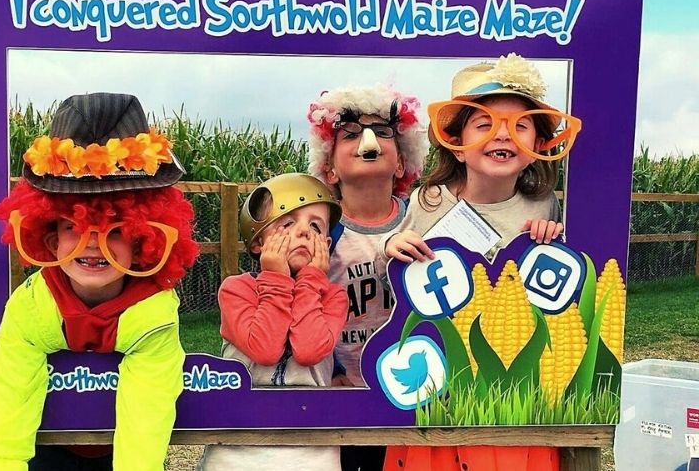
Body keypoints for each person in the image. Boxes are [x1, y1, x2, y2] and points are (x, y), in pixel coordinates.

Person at [0, 93, 200, 471]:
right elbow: (8, 391)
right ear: (49, 237)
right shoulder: (32, 308)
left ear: (142, 237)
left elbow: (148, 410)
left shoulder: (154, 314)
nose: (92, 241)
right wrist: (0, 463)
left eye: (114, 229)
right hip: (50, 446)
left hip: (117, 449)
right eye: (72, 226)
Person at [379, 53, 581, 471]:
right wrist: (394, 248)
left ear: (538, 145)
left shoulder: (546, 205)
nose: (503, 136)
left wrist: (553, 239)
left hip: (515, 383)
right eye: (485, 124)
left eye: (520, 126)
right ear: (457, 140)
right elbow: (402, 285)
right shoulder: (428, 201)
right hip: (442, 387)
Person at [307, 85, 430, 471]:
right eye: (349, 135)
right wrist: (334, 371)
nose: (368, 141)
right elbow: (304, 305)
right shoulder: (321, 231)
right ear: (328, 167)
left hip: (416, 391)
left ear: (401, 163)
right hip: (344, 392)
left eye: (383, 133)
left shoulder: (426, 220)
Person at [197, 173, 349, 471]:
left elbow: (307, 350)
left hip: (312, 450)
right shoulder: (236, 289)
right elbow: (264, 348)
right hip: (238, 446)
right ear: (258, 242)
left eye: (316, 226)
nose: (304, 232)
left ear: (327, 244)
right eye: (287, 223)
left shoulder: (333, 298)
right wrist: (277, 279)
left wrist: (310, 282)